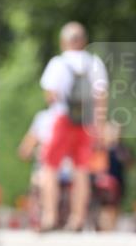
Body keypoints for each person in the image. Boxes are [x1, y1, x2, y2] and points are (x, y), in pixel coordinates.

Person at [39, 22, 108, 230]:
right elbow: (101, 96)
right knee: (82, 169)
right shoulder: (94, 63)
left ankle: (50, 216)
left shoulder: (58, 63)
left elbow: (50, 95)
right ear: (84, 41)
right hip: (86, 123)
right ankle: (77, 218)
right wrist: (100, 125)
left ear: (63, 41)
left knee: (50, 167)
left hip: (62, 119)